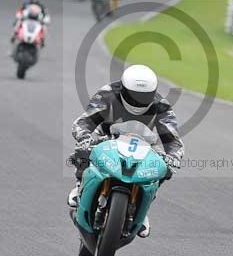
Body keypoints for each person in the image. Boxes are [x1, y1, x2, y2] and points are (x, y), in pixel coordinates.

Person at [67, 65, 184, 238]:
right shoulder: (107, 94)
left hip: (143, 144)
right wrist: (85, 138)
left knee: (162, 168)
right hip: (107, 136)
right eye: (134, 95)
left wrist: (173, 158)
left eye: (145, 96)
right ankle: (80, 187)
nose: (138, 101)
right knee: (83, 152)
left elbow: (173, 140)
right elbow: (83, 122)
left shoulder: (162, 106)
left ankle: (143, 208)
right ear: (122, 89)